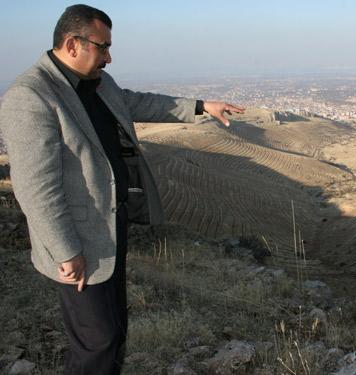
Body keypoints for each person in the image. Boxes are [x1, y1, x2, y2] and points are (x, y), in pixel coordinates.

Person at [0, 4, 244, 374]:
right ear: (72, 44)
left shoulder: (95, 82)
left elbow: (135, 102)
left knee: (112, 332)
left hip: (110, 228)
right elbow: (36, 188)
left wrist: (200, 106)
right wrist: (66, 251)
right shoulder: (30, 97)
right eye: (103, 46)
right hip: (76, 243)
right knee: (96, 340)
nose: (109, 57)